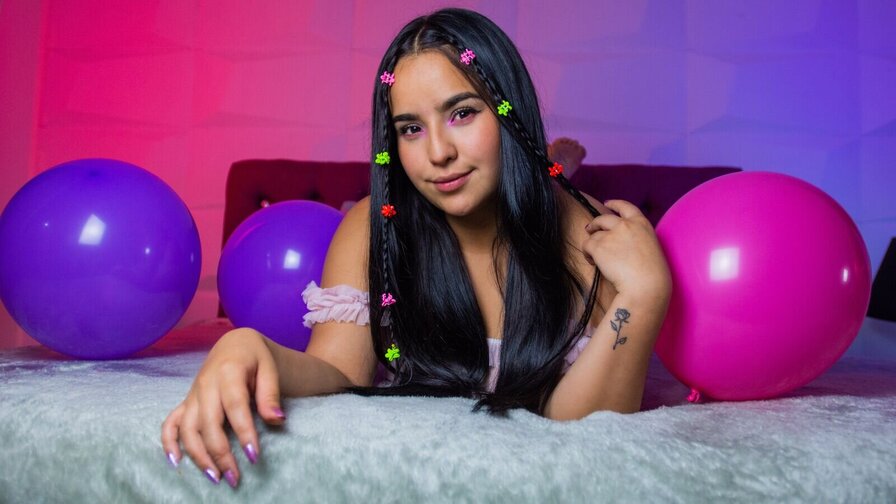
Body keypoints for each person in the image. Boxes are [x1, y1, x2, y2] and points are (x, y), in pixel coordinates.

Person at [161, 8, 671, 489]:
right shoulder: (372, 226)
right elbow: (340, 371)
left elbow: (582, 425)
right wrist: (247, 345)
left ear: (508, 110)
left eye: (462, 113)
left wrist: (645, 293)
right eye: (410, 128)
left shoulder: (586, 233)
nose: (438, 153)